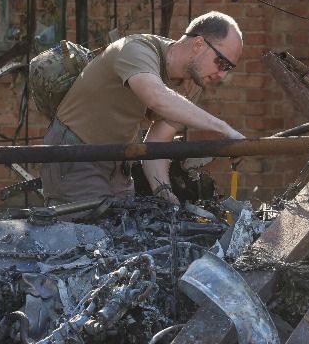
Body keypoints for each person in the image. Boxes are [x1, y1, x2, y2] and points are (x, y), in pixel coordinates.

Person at [40, 11, 246, 206]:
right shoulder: (137, 49)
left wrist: (163, 191)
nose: (222, 75)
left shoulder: (191, 83)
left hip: (118, 159)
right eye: (221, 62)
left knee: (128, 229)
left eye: (228, 68)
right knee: (88, 235)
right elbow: (156, 96)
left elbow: (157, 143)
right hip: (75, 152)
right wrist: (224, 129)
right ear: (199, 43)